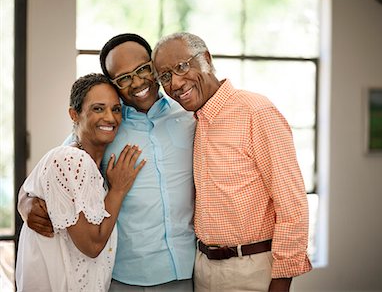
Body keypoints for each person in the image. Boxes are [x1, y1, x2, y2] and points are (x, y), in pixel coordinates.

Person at [18, 34, 197, 291]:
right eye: (124, 78)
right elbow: (55, 167)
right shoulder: (107, 126)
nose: (137, 82)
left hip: (184, 272)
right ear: (114, 84)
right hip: (122, 276)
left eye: (143, 69)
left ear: (154, 66)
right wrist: (25, 201)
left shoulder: (189, 117)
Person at [152, 32, 313, 292]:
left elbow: (292, 206)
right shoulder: (193, 122)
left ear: (206, 59)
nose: (176, 83)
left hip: (251, 270)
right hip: (202, 268)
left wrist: (281, 281)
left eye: (182, 67)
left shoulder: (256, 112)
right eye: (165, 77)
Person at [16, 73, 146, 292]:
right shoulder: (70, 159)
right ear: (74, 114)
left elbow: (27, 190)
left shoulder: (85, 164)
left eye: (115, 109)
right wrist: (118, 190)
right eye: (98, 108)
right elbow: (92, 245)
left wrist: (24, 201)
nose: (110, 118)